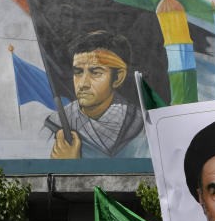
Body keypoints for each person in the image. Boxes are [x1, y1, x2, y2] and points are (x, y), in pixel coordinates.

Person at [40, 29, 148, 159]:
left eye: (96, 72)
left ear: (118, 78)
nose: (83, 83)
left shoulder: (142, 128)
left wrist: (71, 166)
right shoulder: (55, 125)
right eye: (78, 72)